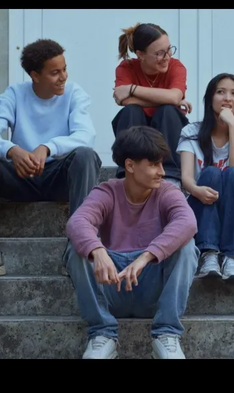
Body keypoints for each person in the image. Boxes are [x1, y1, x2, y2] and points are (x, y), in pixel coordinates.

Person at [0, 39, 100, 278]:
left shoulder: (74, 94)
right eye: (55, 72)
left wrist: (48, 147)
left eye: (64, 69)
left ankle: (78, 249)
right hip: (21, 177)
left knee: (86, 156)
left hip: (59, 178)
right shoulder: (14, 94)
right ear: (35, 75)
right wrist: (12, 150)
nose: (63, 77)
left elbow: (86, 136)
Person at [63, 125, 199, 359]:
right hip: (111, 286)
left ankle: (167, 334)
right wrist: (97, 250)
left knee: (186, 246)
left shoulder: (167, 192)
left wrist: (146, 256)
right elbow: (77, 222)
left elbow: (188, 222)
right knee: (77, 248)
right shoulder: (107, 192)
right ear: (130, 165)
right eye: (154, 164)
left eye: (161, 164)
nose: (162, 172)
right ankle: (102, 333)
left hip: (152, 289)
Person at [177, 73, 234, 282]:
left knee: (232, 173)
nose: (227, 98)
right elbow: (186, 178)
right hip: (202, 206)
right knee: (211, 173)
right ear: (210, 98)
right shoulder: (191, 131)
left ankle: (232, 257)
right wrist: (197, 191)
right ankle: (209, 254)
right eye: (221, 92)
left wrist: (233, 126)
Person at [111, 22, 192, 187]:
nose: (167, 57)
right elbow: (123, 100)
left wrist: (132, 89)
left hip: (167, 129)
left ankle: (170, 176)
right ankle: (127, 173)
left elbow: (174, 97)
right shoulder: (126, 67)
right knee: (131, 111)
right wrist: (168, 98)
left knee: (168, 111)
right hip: (137, 127)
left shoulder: (176, 67)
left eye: (169, 49)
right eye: (159, 53)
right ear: (140, 54)